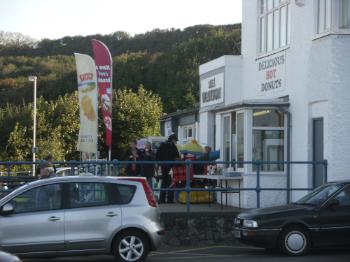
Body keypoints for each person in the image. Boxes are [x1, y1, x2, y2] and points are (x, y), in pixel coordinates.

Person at [156, 134, 180, 203]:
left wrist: (159, 163)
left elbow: (158, 155)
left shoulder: (162, 145)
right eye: (176, 141)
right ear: (173, 140)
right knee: (170, 183)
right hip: (170, 167)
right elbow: (177, 156)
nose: (176, 142)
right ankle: (170, 199)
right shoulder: (173, 147)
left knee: (163, 182)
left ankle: (162, 199)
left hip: (163, 166)